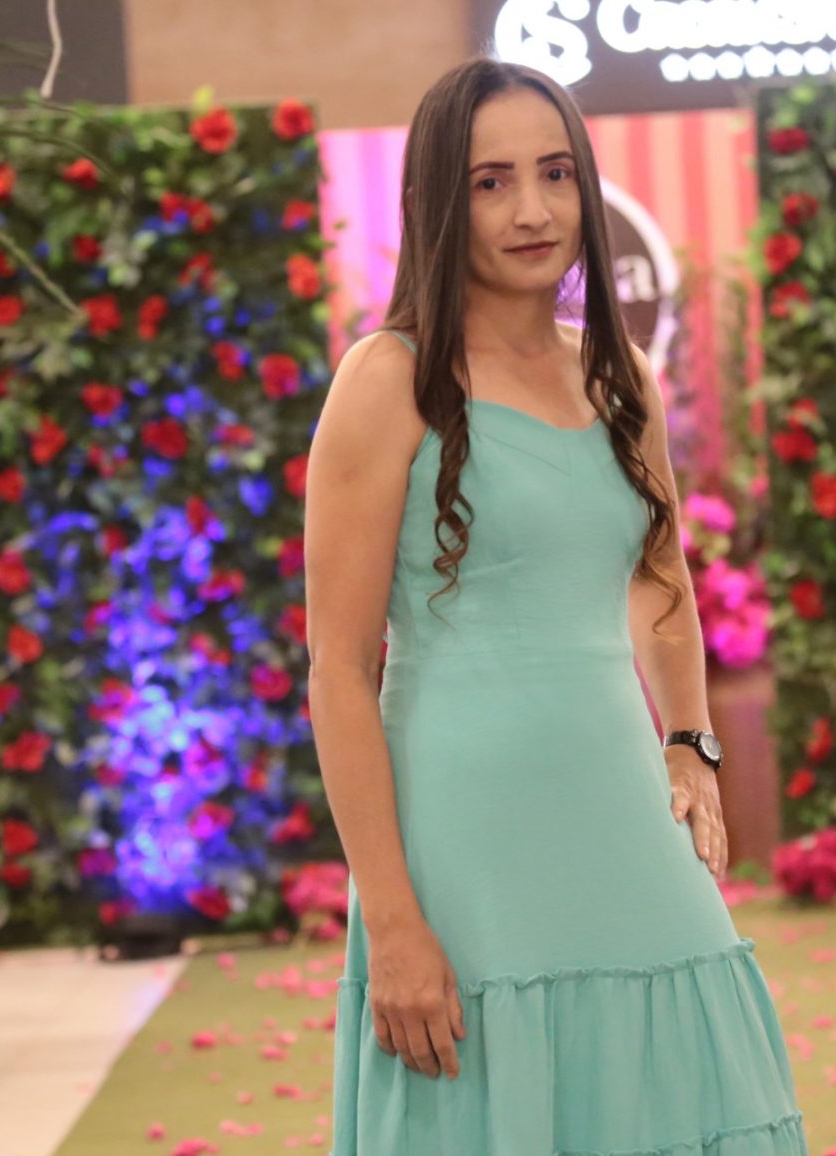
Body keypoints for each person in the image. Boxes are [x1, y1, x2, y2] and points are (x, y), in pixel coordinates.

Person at [304, 55, 809, 1156]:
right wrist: (391, 918)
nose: (532, 210)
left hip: (620, 799)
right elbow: (338, 668)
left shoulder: (618, 379)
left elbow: (661, 576)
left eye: (554, 173)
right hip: (461, 831)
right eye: (490, 182)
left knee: (699, 1080)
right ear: (439, 201)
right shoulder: (386, 380)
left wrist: (690, 742)